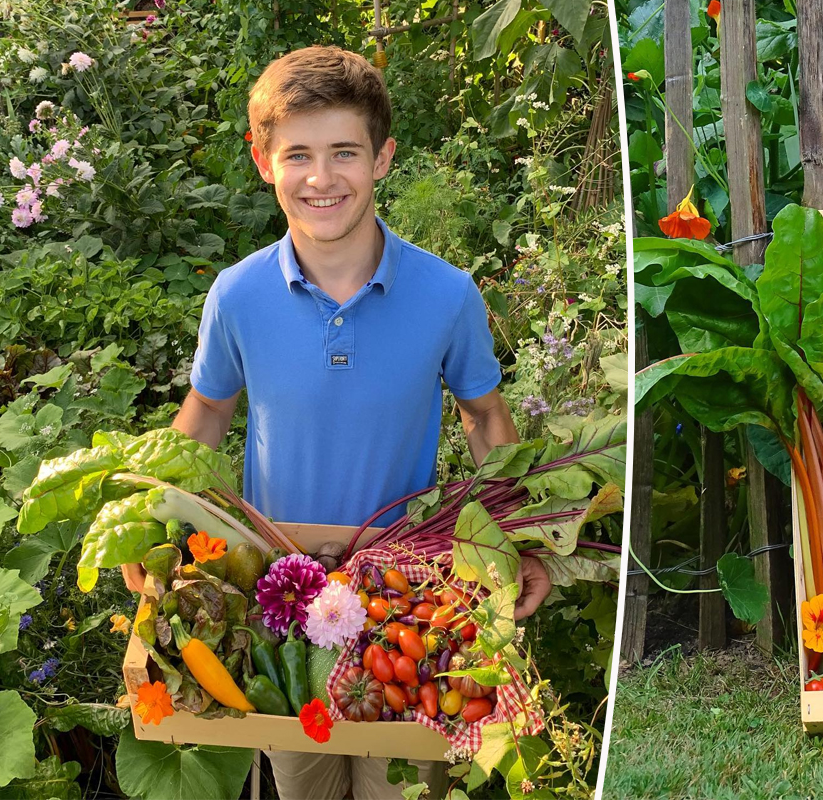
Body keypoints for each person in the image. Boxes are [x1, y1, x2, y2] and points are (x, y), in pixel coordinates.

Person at [122, 45, 552, 800]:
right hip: (277, 603)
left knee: (401, 786)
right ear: (264, 161)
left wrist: (519, 544)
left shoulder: (447, 294)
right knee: (298, 780)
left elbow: (485, 416)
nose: (322, 179)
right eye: (299, 155)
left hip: (410, 603)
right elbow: (208, 412)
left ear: (383, 158)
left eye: (345, 152)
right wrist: (152, 530)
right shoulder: (237, 295)